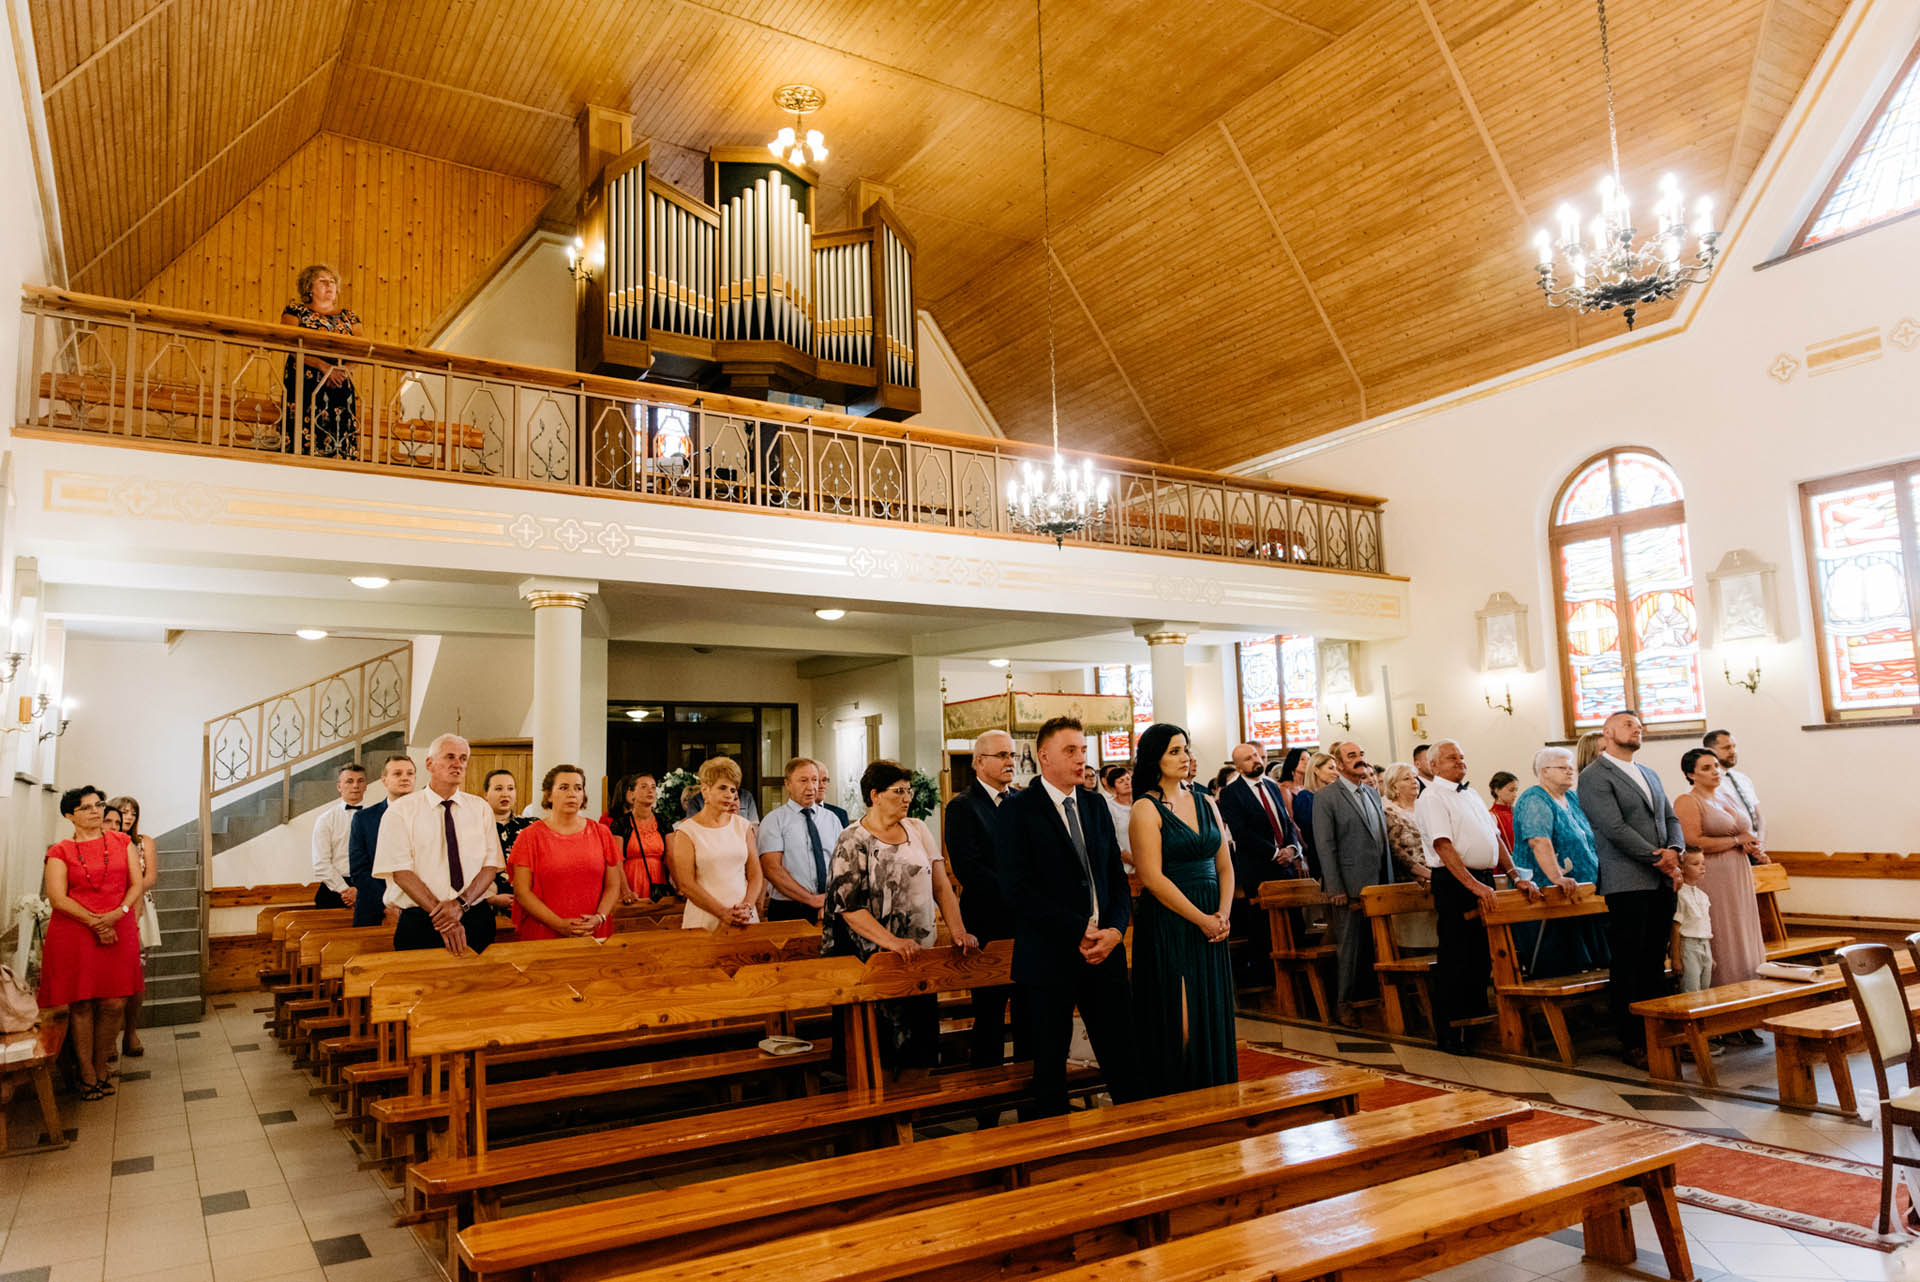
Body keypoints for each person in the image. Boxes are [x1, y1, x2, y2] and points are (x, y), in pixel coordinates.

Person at [1004, 716, 1140, 1116]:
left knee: (1123, 1057)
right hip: (1050, 954)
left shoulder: (1095, 805)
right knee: (1049, 1066)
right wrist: (1078, 928)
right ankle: (1055, 1146)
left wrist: (1115, 930)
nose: (1082, 759)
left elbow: (1116, 879)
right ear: (1044, 757)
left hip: (1104, 952)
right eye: (1070, 751)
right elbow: (1017, 889)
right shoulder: (1018, 810)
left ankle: (1139, 1138)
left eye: (1083, 750)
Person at [823, 760, 975, 1073]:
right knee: (880, 1050)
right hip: (874, 958)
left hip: (918, 955)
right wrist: (893, 942)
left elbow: (941, 886)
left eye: (909, 791)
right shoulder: (853, 838)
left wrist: (958, 930)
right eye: (899, 791)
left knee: (919, 1046)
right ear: (875, 795)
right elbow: (848, 907)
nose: (907, 798)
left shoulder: (917, 829)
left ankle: (919, 1094)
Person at [1128, 723, 1236, 1094]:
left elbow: (1225, 866)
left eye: (1186, 749)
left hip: (1211, 918)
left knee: (1211, 1015)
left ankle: (1215, 1096)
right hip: (1171, 919)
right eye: (1174, 751)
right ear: (1154, 758)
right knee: (1181, 1023)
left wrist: (1222, 915)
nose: (1184, 757)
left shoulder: (1206, 801)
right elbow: (1152, 878)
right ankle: (1176, 1098)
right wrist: (1202, 919)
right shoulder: (1146, 808)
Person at [1415, 739, 1540, 1052]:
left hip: (1481, 878)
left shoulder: (1470, 794)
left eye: (1461, 756)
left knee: (1482, 956)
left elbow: (1495, 838)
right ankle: (1451, 1030)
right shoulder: (1431, 797)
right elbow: (1443, 846)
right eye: (1451, 758)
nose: (1460, 761)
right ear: (1433, 766)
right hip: (1455, 882)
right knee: (1457, 955)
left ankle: (1477, 1024)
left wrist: (1515, 876)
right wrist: (1474, 886)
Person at [1578, 710, 1684, 1070]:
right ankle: (1633, 1039)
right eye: (1628, 724)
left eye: (1639, 726)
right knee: (1629, 960)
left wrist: (1676, 850)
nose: (1636, 729)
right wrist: (1660, 858)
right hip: (1627, 881)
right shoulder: (1594, 776)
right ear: (1606, 732)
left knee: (1655, 959)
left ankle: (1660, 1034)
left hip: (1660, 879)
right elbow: (1613, 828)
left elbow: (1670, 817)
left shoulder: (1648, 773)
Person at [40, 787, 145, 1100]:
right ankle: (86, 1072)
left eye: (98, 804)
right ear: (69, 815)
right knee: (82, 1003)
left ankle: (101, 1065)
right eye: (85, 808)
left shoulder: (122, 842)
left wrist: (116, 914)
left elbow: (136, 884)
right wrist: (96, 923)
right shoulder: (60, 851)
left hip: (118, 925)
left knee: (115, 1002)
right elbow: (57, 898)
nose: (95, 811)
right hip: (75, 930)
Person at [373, 735, 504, 955]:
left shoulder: (480, 808)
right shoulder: (400, 810)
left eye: (463, 758)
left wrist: (460, 905)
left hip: (474, 914)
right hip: (421, 920)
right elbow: (401, 872)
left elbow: (490, 865)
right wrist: (444, 917)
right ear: (429, 763)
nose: (458, 763)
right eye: (450, 757)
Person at [945, 730, 1024, 1068]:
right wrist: (1020, 894)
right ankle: (986, 1090)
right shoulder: (963, 806)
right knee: (990, 1015)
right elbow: (969, 869)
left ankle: (1029, 1086)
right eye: (1002, 755)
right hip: (989, 921)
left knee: (1029, 1011)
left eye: (1012, 755)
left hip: (1027, 924)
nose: (1010, 762)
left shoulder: (1023, 801)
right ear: (979, 761)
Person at [1675, 747, 1768, 1010]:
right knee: (1723, 933)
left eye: (1716, 766)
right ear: (1690, 774)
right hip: (1712, 874)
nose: (1715, 771)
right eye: (1706, 768)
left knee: (1743, 932)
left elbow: (1745, 831)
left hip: (1739, 873)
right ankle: (1724, 1002)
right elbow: (1692, 841)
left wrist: (1751, 845)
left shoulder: (1727, 795)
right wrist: (1736, 840)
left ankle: (1750, 1000)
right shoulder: (1687, 801)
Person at [1314, 740, 1395, 1027]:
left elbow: (1381, 839)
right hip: (1348, 885)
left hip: (1377, 883)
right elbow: (1325, 846)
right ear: (1338, 764)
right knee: (1348, 947)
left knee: (1378, 945)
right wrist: (1335, 888)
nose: (1359, 759)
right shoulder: (1326, 797)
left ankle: (1378, 999)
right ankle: (1343, 1003)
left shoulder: (1371, 792)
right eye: (1352, 756)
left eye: (1361, 754)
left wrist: (1388, 879)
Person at [1509, 748, 1608, 977]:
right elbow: (1538, 840)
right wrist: (1557, 877)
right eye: (1563, 767)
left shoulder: (1571, 798)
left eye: (1571, 767)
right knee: (1565, 965)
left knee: (1598, 963)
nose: (1570, 771)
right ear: (1544, 771)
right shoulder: (1535, 799)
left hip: (1583, 892)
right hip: (1550, 895)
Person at [1217, 741, 1307, 987]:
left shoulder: (1272, 786)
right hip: (1258, 870)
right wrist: (1274, 852)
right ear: (1238, 767)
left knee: (1295, 926)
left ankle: (1299, 982)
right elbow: (1241, 832)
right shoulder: (1231, 793)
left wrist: (1292, 849)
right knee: (1264, 930)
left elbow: (1286, 822)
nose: (1256, 760)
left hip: (1286, 868)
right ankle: (1271, 984)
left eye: (1256, 755)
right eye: (1248, 758)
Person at [510, 765, 623, 941]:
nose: (572, 794)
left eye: (578, 788)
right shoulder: (530, 836)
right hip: (544, 931)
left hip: (593, 931)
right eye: (564, 787)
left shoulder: (601, 833)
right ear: (549, 795)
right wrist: (559, 924)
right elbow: (522, 892)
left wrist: (599, 917)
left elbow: (613, 885)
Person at [279, 264, 363, 459]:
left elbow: (361, 349)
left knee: (339, 435)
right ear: (309, 287)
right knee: (303, 436)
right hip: (306, 379)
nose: (329, 285)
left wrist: (343, 370)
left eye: (332, 282)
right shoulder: (295, 311)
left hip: (340, 381)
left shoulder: (350, 317)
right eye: (323, 281)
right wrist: (324, 367)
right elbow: (290, 343)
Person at [670, 757, 762, 931]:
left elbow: (755, 875)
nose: (729, 794)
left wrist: (748, 907)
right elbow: (686, 884)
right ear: (705, 790)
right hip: (704, 919)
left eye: (733, 790)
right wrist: (722, 913)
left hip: (744, 917)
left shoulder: (743, 826)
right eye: (722, 788)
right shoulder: (687, 831)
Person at [104, 794, 159, 1059]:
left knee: (136, 974)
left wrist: (132, 893)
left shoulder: (142, 842)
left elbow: (150, 876)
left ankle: (131, 1033)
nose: (128, 817)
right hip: (110, 907)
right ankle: (108, 1038)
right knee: (110, 979)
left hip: (139, 906)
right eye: (123, 812)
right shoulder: (103, 842)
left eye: (133, 813)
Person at [759, 757, 843, 923]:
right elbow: (772, 869)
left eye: (815, 780)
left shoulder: (832, 819)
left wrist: (828, 898)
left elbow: (843, 864)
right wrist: (812, 900)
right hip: (788, 908)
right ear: (788, 784)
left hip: (830, 905)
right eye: (803, 780)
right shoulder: (774, 821)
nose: (811, 787)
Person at [349, 755, 414, 928]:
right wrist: (390, 902)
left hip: (419, 907)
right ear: (384, 780)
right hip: (374, 907)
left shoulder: (430, 815)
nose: (405, 778)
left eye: (410, 773)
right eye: (397, 774)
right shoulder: (363, 818)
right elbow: (359, 871)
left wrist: (411, 902)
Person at [608, 772, 671, 902]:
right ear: (631, 794)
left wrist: (679, 885)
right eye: (644, 787)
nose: (650, 791)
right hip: (630, 881)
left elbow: (672, 858)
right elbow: (616, 861)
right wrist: (625, 891)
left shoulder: (663, 822)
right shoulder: (621, 824)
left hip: (659, 882)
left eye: (653, 787)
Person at [311, 764, 367, 910]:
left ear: (365, 786)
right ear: (339, 787)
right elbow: (321, 863)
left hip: (368, 887)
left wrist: (363, 889)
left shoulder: (378, 817)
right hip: (334, 890)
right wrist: (346, 890)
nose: (355, 786)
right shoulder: (325, 819)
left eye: (360, 781)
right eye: (349, 781)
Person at [482, 769, 530, 914]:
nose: (505, 794)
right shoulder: (476, 828)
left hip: (529, 905)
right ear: (486, 794)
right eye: (498, 789)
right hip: (486, 906)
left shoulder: (530, 826)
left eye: (510, 788)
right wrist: (490, 899)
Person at [1703, 730, 1763, 843]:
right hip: (1732, 845)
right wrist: (1739, 841)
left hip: (1755, 845)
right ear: (1710, 751)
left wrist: (1760, 841)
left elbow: (1758, 816)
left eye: (1734, 747)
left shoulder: (1743, 779)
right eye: (1726, 748)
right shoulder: (1705, 783)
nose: (1733, 751)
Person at [1378, 764, 1432, 886]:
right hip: (1410, 881)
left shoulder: (1426, 807)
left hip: (1438, 874)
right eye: (1406, 778)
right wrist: (1428, 874)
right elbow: (1396, 853)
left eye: (1415, 777)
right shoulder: (1389, 813)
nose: (1414, 781)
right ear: (1394, 786)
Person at [1290, 751, 1336, 883]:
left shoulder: (1333, 796)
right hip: (1319, 857)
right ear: (1316, 770)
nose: (1336, 773)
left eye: (1336, 768)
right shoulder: (1305, 797)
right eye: (1331, 768)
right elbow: (1311, 831)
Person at [1674, 849, 1714, 995]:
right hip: (1689, 946)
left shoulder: (1703, 896)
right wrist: (1676, 958)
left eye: (1703, 863)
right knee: (1691, 991)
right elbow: (1676, 927)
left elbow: (1705, 925)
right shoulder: (1679, 895)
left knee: (1705, 989)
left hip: (1705, 945)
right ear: (1682, 868)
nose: (1702, 867)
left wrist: (1709, 955)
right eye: (1696, 864)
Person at [1099, 765, 1134, 863]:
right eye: (1121, 781)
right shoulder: (1109, 807)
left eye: (1128, 779)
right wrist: (1134, 861)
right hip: (1125, 864)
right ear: (1113, 786)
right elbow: (1112, 840)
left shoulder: (1141, 803)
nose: (1126, 783)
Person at [1488, 772, 1519, 853]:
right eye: (1511, 790)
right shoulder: (1491, 816)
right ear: (1497, 791)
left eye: (1516, 790)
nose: (1515, 795)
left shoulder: (1518, 812)